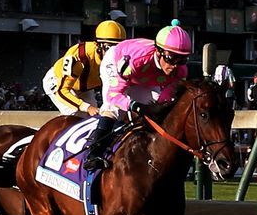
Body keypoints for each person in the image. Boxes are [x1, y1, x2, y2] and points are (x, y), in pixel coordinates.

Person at [83, 22, 193, 171]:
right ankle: (94, 153)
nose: (175, 65)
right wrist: (134, 105)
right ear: (159, 52)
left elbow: (163, 100)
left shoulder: (180, 72)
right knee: (114, 108)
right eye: (171, 58)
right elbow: (114, 95)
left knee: (154, 106)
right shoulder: (135, 62)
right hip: (118, 63)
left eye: (182, 60)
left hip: (145, 75)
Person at [42, 19, 125, 116]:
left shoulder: (122, 59)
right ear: (98, 45)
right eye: (109, 48)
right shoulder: (80, 56)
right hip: (58, 83)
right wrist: (87, 107)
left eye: (119, 48)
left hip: (84, 88)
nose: (114, 53)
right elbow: (62, 90)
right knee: (75, 115)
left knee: (96, 118)